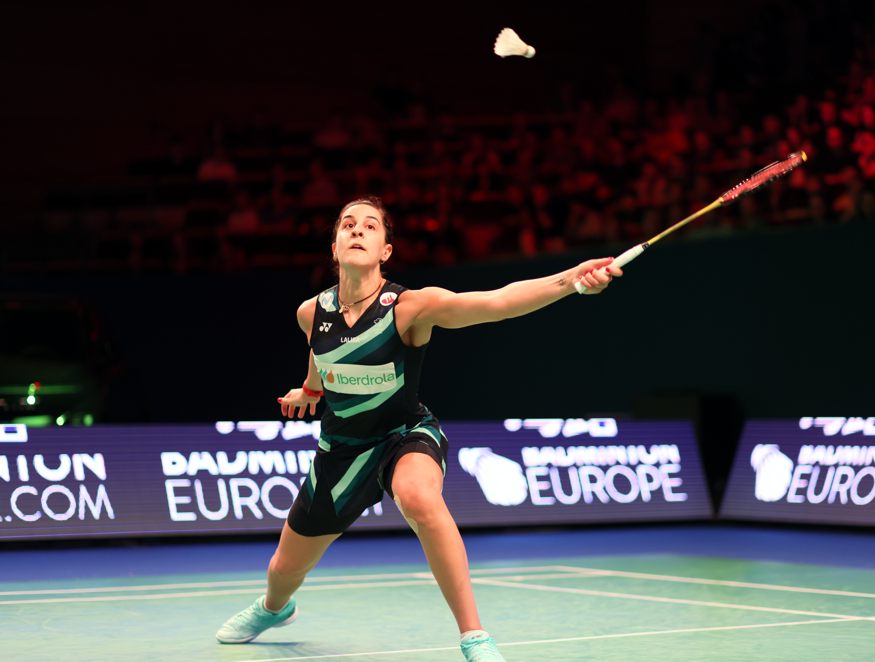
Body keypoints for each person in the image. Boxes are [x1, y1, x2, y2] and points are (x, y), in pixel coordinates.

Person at [215, 196, 620, 661]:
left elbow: (498, 302)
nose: (357, 230)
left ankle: (474, 637)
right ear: (334, 246)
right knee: (283, 569)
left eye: (370, 226)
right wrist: (309, 391)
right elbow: (321, 354)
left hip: (404, 434)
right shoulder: (312, 312)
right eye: (347, 224)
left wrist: (572, 281)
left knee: (419, 496)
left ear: (386, 249)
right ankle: (273, 608)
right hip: (342, 450)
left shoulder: (410, 308)